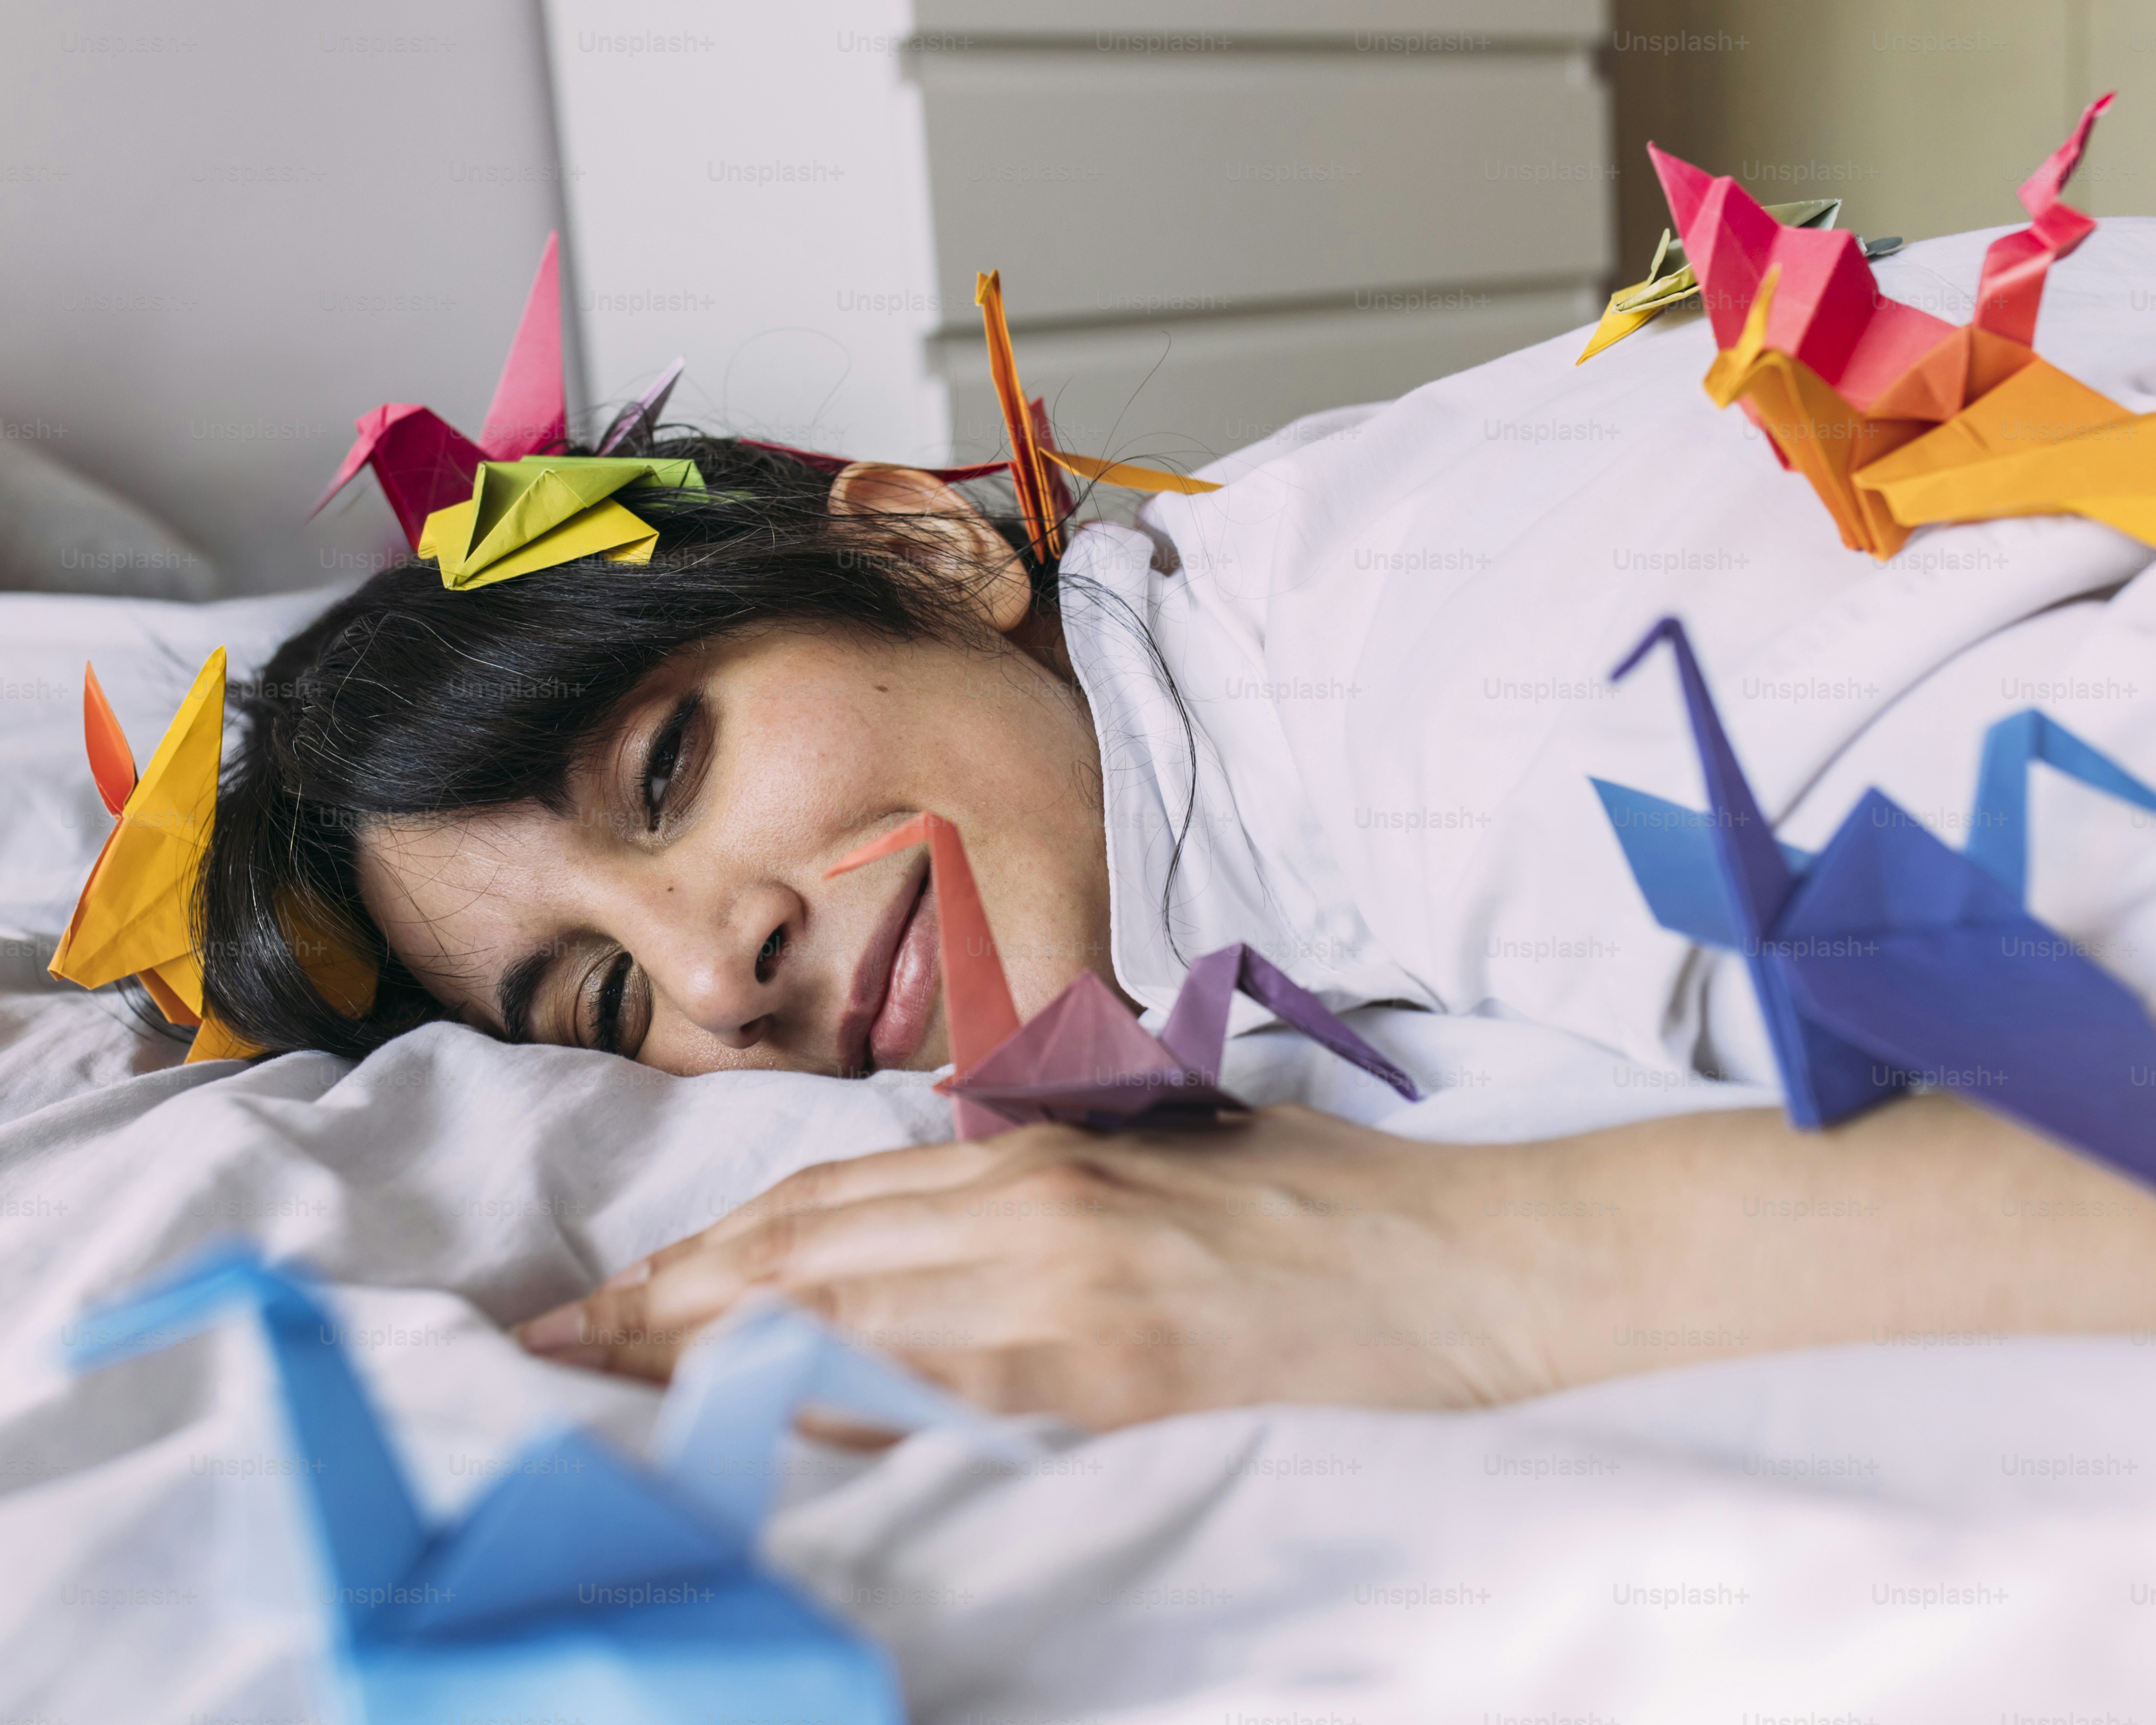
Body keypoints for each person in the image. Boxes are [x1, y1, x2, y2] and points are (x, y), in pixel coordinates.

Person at [199, 296, 2156, 1429]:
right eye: (607, 998)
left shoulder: (1486, 711)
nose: (721, 974)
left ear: (928, 549)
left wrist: (1475, 1274)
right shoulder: (1228, 632)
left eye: (668, 773)